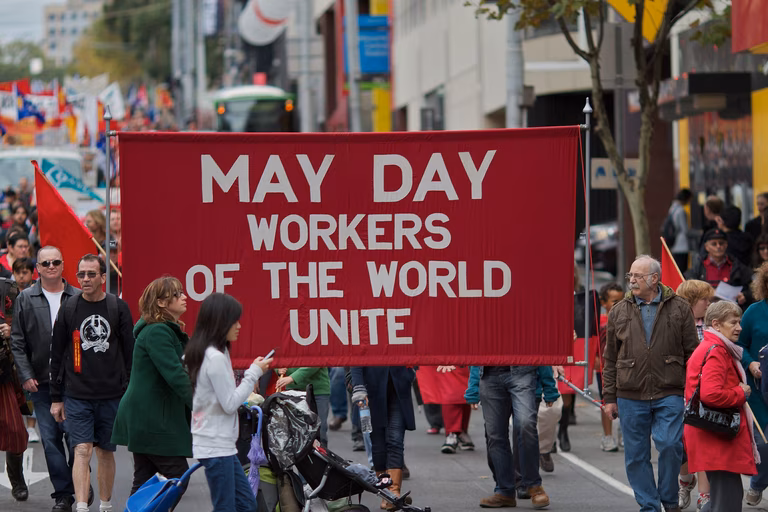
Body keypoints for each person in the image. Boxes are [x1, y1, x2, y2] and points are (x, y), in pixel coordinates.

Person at [603, 255, 699, 512]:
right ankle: (649, 506)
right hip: (629, 393)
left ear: (654, 279)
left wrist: (693, 391)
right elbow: (610, 357)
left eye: (637, 276)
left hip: (670, 389)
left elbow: (693, 353)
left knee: (669, 444)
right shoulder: (619, 310)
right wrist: (609, 398)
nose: (631, 280)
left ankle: (669, 499)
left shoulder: (679, 307)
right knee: (636, 456)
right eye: (630, 276)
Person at [49, 254, 135, 512]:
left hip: (111, 395)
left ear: (102, 277)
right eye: (81, 275)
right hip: (77, 394)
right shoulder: (69, 307)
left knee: (105, 453)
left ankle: (106, 505)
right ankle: (83, 506)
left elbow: (130, 354)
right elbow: (57, 353)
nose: (85, 279)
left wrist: (129, 394)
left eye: (91, 274)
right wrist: (56, 397)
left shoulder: (118, 308)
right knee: (82, 449)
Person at [184, 292, 272, 512]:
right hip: (216, 445)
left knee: (245, 504)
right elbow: (230, 403)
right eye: (235, 320)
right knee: (229, 507)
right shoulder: (214, 357)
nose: (239, 326)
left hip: (218, 444)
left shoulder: (208, 352)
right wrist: (253, 373)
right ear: (220, 322)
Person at [10, 246, 82, 511]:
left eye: (56, 262)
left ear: (63, 265)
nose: (51, 266)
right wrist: (26, 376)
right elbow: (17, 342)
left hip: (75, 383)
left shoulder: (78, 296)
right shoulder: (26, 298)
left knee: (76, 439)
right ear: (37, 269)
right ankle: (63, 494)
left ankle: (79, 482)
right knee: (50, 440)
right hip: (40, 383)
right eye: (45, 263)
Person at [111, 276, 193, 494]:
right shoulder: (158, 332)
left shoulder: (165, 330)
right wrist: (204, 406)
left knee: (143, 482)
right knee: (177, 476)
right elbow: (175, 375)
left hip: (150, 416)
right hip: (152, 418)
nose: (184, 297)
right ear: (161, 302)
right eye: (177, 294)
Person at [684, 300, 759, 511]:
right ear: (716, 324)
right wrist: (740, 392)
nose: (739, 327)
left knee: (721, 498)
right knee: (727, 501)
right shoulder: (717, 350)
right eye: (733, 322)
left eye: (739, 322)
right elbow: (711, 395)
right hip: (716, 436)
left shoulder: (711, 346)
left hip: (710, 434)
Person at [465, 361, 550, 509]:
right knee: (495, 434)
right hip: (489, 373)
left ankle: (534, 486)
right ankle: (505, 491)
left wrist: (549, 385)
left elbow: (539, 346)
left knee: (525, 425)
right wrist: (473, 386)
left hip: (523, 370)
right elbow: (477, 349)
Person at [350, 366, 416, 510]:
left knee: (395, 440)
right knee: (378, 445)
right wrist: (357, 386)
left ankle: (394, 493)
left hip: (398, 387)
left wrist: (410, 372)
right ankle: (385, 494)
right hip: (370, 389)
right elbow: (355, 359)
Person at [675, 279, 715, 510]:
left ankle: (704, 495)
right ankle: (684, 480)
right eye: (704, 300)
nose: (709, 304)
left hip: (704, 393)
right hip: (678, 392)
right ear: (690, 301)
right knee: (680, 444)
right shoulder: (674, 325)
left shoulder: (710, 328)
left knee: (702, 443)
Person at [736, 262, 768, 506]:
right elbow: (740, 345)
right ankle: (758, 484)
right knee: (763, 445)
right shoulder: (753, 311)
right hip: (759, 391)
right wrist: (750, 364)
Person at [0, 276, 28, 502]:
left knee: (16, 432)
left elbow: (23, 325)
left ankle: (16, 478)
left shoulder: (6, 288)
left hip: (2, 370)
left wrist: (10, 331)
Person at [686, 229, 754, 308]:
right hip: (705, 311)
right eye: (714, 244)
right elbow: (689, 290)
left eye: (721, 243)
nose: (718, 246)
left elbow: (753, 287)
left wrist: (745, 295)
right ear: (706, 247)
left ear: (726, 245)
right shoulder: (697, 268)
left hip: (731, 310)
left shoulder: (738, 266)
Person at [274, 366, 331, 446]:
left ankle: (320, 456)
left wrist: (292, 378)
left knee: (319, 432)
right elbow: (275, 357)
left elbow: (315, 361)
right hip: (292, 390)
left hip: (317, 391)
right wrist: (278, 368)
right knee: (296, 431)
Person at [597, 282, 624, 452]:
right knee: (606, 401)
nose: (618, 305)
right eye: (614, 301)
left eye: (621, 301)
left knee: (625, 401)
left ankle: (623, 432)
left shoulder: (626, 320)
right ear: (603, 302)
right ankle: (607, 436)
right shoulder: (600, 323)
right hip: (605, 369)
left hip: (625, 369)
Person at [666, 189, 693, 272]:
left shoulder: (672, 208)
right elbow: (685, 230)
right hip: (682, 245)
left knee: (677, 269)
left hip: (674, 244)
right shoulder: (681, 210)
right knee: (682, 270)